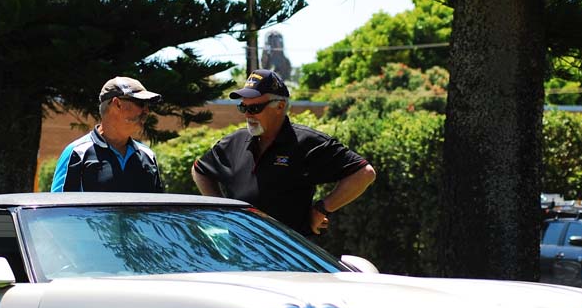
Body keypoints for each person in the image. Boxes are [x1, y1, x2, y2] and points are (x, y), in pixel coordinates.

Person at [192, 69, 376, 235]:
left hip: (288, 256)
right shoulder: (234, 142)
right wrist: (222, 210)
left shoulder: (306, 142)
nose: (247, 114)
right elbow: (199, 170)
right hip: (241, 253)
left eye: (255, 108)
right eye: (243, 107)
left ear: (279, 106)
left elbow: (364, 173)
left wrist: (321, 209)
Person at [51, 77, 164, 193]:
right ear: (117, 104)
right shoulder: (77, 153)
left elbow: (159, 204)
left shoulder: (148, 156)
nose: (147, 111)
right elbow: (59, 204)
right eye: (141, 104)